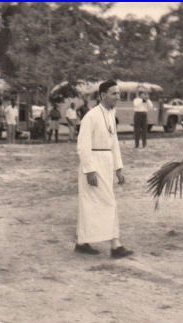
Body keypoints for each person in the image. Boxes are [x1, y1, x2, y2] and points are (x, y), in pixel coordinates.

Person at [75, 79, 133, 259]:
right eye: (114, 93)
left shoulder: (110, 115)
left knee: (94, 204)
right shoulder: (91, 116)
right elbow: (83, 145)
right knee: (106, 202)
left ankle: (82, 242)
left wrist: (118, 168)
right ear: (103, 95)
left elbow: (114, 143)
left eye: (119, 93)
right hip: (93, 162)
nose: (118, 97)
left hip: (106, 161)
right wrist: (89, 169)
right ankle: (115, 245)